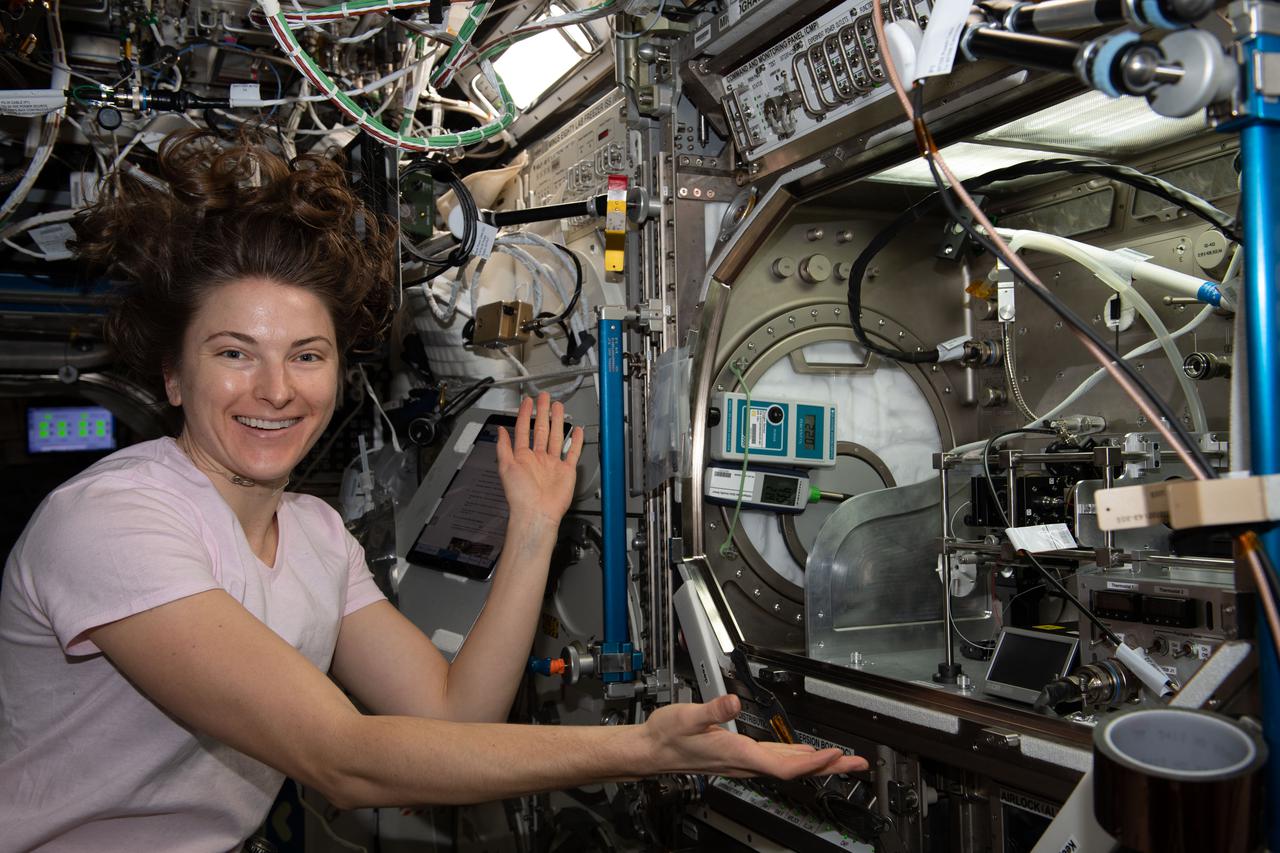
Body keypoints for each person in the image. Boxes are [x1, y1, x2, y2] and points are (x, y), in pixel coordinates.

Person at [0, 130, 866, 851]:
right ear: (173, 376)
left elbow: (454, 714)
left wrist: (534, 527)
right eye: (234, 353)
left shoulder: (314, 534)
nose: (276, 389)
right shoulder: (113, 520)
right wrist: (643, 749)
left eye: (307, 355)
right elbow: (344, 757)